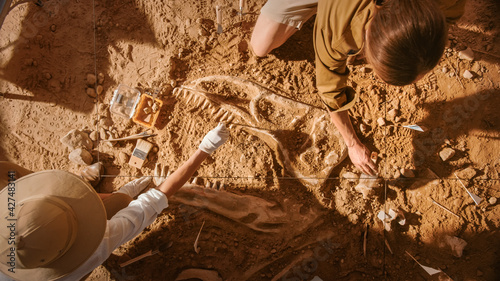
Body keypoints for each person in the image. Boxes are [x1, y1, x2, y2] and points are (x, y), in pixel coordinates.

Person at [250, 0, 465, 175]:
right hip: (341, 10)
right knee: (260, 46)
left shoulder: (449, 4)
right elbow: (330, 91)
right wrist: (352, 144)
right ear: (368, 37)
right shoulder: (337, 32)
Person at [0, 122, 229, 281]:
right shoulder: (95, 249)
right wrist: (204, 149)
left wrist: (99, 197)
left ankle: (83, 183)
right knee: (120, 205)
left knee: (7, 173)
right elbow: (150, 203)